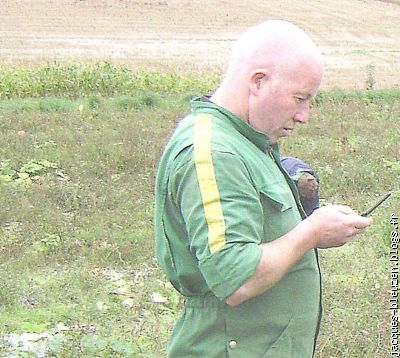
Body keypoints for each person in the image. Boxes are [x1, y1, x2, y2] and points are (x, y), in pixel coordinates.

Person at [154, 19, 372, 357]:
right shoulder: (215, 152)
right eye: (299, 98)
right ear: (258, 81)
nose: (304, 116)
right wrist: (312, 232)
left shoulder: (248, 141)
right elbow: (237, 279)